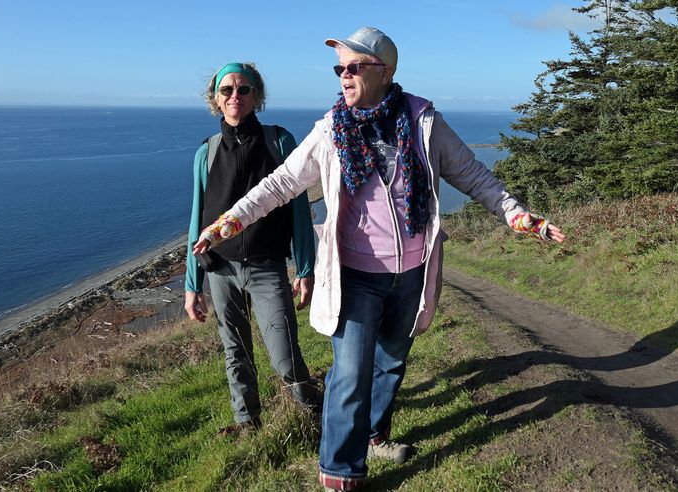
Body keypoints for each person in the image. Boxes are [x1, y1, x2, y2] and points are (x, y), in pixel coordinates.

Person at [193, 29, 566, 490]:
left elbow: (472, 175)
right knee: (350, 374)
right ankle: (339, 473)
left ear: (385, 72)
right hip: (355, 276)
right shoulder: (332, 128)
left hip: (411, 272)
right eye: (340, 69)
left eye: (353, 67)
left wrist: (517, 215)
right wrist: (229, 221)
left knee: (390, 363)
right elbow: (281, 184)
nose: (344, 76)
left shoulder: (423, 121)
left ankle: (373, 436)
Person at [184, 62, 320, 434]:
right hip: (220, 270)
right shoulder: (206, 153)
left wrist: (305, 270)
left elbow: (299, 212)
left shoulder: (279, 141)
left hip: (266, 266)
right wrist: (191, 286)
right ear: (215, 98)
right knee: (235, 353)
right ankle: (247, 423)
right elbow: (198, 221)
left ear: (257, 96)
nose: (235, 97)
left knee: (285, 355)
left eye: (243, 89)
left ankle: (312, 414)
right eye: (226, 90)